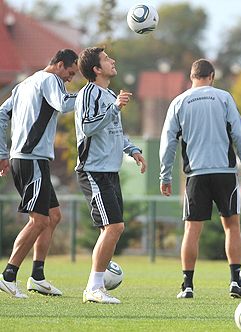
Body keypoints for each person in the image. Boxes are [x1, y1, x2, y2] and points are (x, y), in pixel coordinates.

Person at [159, 59, 241, 299]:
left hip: (196, 175)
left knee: (192, 229)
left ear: (192, 77)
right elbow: (239, 133)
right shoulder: (223, 98)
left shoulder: (179, 102)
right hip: (224, 172)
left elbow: (168, 142)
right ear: (211, 76)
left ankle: (188, 285)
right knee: (232, 226)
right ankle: (235, 282)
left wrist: (165, 175)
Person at [0, 49, 79, 298]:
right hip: (30, 158)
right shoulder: (49, 80)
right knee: (39, 220)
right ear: (58, 65)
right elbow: (63, 104)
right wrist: (91, 94)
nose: (70, 78)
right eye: (70, 72)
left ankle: (37, 277)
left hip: (30, 159)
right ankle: (8, 276)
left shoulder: (26, 83)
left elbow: (2, 112)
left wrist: (3, 152)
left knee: (53, 216)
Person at [75, 47, 146, 304]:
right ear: (96, 69)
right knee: (114, 227)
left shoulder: (107, 94)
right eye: (106, 59)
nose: (112, 61)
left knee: (112, 228)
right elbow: (88, 127)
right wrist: (115, 108)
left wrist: (133, 150)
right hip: (93, 170)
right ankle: (93, 288)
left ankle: (96, 286)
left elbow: (115, 130)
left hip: (109, 171)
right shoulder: (89, 93)